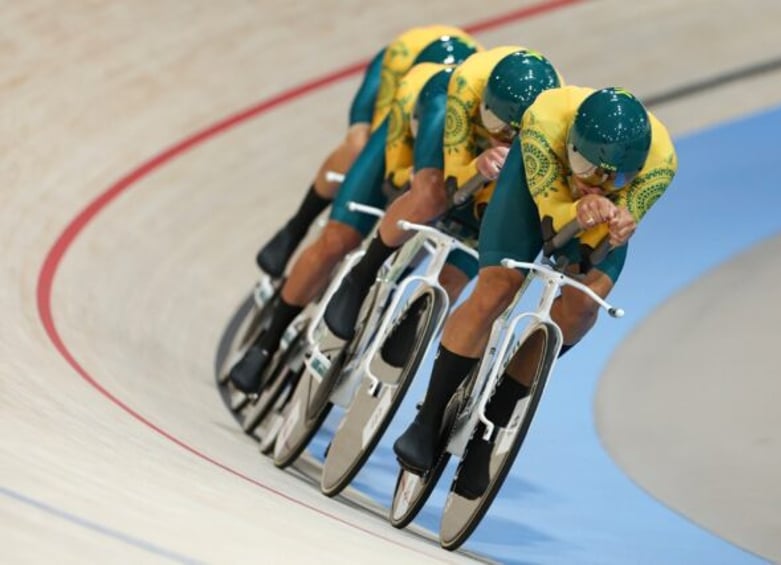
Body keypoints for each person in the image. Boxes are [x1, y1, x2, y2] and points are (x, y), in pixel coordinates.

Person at [392, 86, 679, 499]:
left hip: (599, 214)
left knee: (582, 309)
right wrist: (576, 207)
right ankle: (429, 417)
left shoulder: (661, 161)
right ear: (571, 143)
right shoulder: (546, 119)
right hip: (530, 191)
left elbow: (626, 215)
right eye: (587, 167)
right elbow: (552, 210)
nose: (594, 181)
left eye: (613, 176)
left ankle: (496, 418)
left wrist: (622, 220)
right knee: (497, 288)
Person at [229, 46, 479, 394]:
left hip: (459, 181)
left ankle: (375, 327)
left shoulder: (504, 138)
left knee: (426, 258)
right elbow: (401, 170)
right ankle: (265, 344)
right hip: (402, 156)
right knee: (338, 239)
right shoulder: (428, 97)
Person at [323, 48, 563, 341]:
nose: (502, 137)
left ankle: (415, 330)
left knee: (485, 230)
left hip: (513, 143)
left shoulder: (550, 126)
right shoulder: (465, 86)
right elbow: (453, 173)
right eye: (497, 128)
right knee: (432, 194)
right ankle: (362, 275)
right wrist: (476, 165)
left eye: (511, 134)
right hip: (442, 108)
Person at [255, 25, 481, 278]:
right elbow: (390, 157)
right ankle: (297, 225)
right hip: (405, 69)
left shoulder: (472, 121)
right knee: (360, 148)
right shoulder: (414, 89)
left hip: (442, 103)